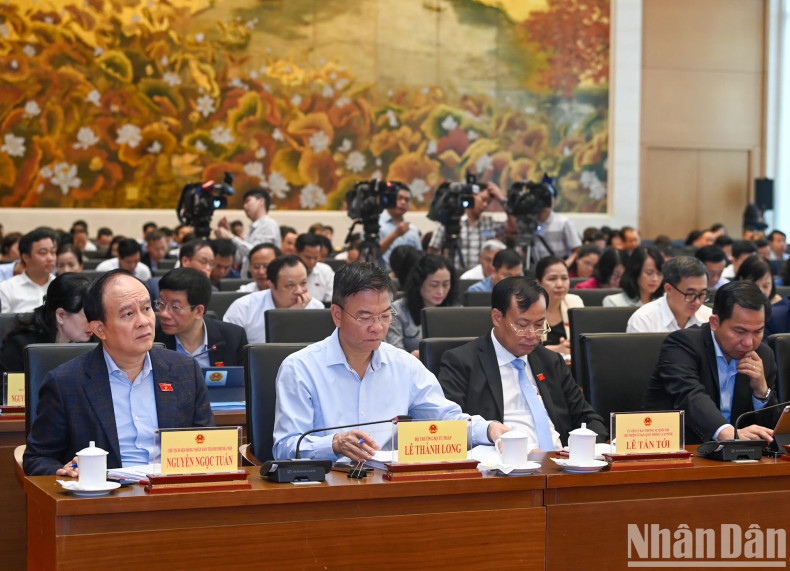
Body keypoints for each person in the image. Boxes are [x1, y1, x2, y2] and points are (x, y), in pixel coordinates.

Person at [272, 262, 508, 461]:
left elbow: (444, 419)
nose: (377, 327)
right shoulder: (300, 369)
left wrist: (487, 429)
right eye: (364, 317)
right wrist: (334, 444)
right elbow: (284, 447)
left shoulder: (405, 365)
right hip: (327, 489)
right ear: (337, 315)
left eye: (385, 316)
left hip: (391, 485)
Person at [23, 269, 215, 476]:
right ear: (99, 328)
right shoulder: (66, 383)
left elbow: (208, 443)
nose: (144, 321)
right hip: (106, 499)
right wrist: (65, 471)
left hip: (171, 493)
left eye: (147, 308)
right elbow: (37, 458)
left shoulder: (184, 371)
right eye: (128, 314)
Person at [438, 277, 607, 451]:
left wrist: (581, 449)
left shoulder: (550, 361)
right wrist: (489, 432)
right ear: (497, 317)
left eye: (539, 325)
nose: (533, 334)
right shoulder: (462, 362)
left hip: (560, 464)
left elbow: (588, 418)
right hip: (503, 467)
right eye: (522, 325)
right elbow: (449, 427)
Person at [643, 281, 779, 444]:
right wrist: (727, 433)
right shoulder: (682, 344)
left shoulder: (763, 355)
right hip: (680, 449)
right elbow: (690, 395)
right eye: (740, 331)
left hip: (741, 459)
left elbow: (772, 432)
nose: (749, 342)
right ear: (715, 322)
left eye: (758, 331)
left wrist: (762, 391)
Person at [154, 268, 248, 367]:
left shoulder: (233, 338)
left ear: (198, 311)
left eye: (175, 307)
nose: (164, 314)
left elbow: (243, 380)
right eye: (161, 303)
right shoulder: (153, 339)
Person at [0, 273, 93, 372]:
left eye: (97, 314)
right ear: (60, 315)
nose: (94, 322)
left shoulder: (94, 341)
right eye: (87, 315)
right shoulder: (21, 347)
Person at [223, 255, 323, 343]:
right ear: (271, 285)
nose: (299, 290)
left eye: (303, 283)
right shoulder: (243, 308)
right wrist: (289, 318)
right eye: (290, 285)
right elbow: (230, 351)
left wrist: (295, 317)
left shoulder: (316, 308)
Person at [385, 254, 458, 355]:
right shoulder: (397, 311)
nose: (440, 292)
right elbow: (394, 353)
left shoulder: (456, 309)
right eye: (434, 285)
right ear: (419, 283)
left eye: (446, 284)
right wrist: (414, 356)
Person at [427, 183, 506, 270]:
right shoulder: (450, 220)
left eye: (488, 202)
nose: (485, 205)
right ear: (469, 196)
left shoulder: (490, 222)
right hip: (456, 276)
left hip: (481, 277)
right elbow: (433, 251)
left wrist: (502, 199)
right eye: (483, 199)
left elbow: (514, 226)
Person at [627, 256, 712, 333]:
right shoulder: (643, 320)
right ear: (669, 289)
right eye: (690, 294)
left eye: (702, 294)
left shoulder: (710, 318)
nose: (697, 302)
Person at [215, 187, 281, 278]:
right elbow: (239, 259)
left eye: (247, 201)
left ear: (261, 201)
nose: (244, 206)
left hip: (264, 280)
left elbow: (258, 255)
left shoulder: (269, 224)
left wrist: (231, 236)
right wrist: (228, 233)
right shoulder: (253, 228)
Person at [0, 227, 57, 313]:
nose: (50, 258)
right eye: (43, 252)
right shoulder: (7, 289)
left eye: (53, 252)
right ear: (25, 257)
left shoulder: (61, 286)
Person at [535, 256, 583, 356]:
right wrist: (557, 349)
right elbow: (523, 346)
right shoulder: (528, 306)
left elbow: (582, 341)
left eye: (564, 278)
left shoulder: (575, 302)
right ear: (538, 282)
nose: (560, 284)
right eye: (552, 279)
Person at [530, 181, 582, 261]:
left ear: (554, 201)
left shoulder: (564, 222)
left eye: (548, 198)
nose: (544, 202)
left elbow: (577, 250)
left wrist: (564, 266)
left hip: (559, 265)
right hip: (537, 267)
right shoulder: (529, 222)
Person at [378, 182, 422, 267]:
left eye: (407, 200)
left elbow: (420, 258)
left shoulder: (413, 230)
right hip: (382, 277)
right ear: (389, 198)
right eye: (399, 198)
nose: (403, 202)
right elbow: (372, 255)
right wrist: (395, 234)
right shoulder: (376, 224)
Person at [296, 232, 334, 303]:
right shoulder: (286, 271)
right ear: (297, 253)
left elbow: (332, 300)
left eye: (316, 258)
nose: (312, 262)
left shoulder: (326, 272)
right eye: (308, 257)